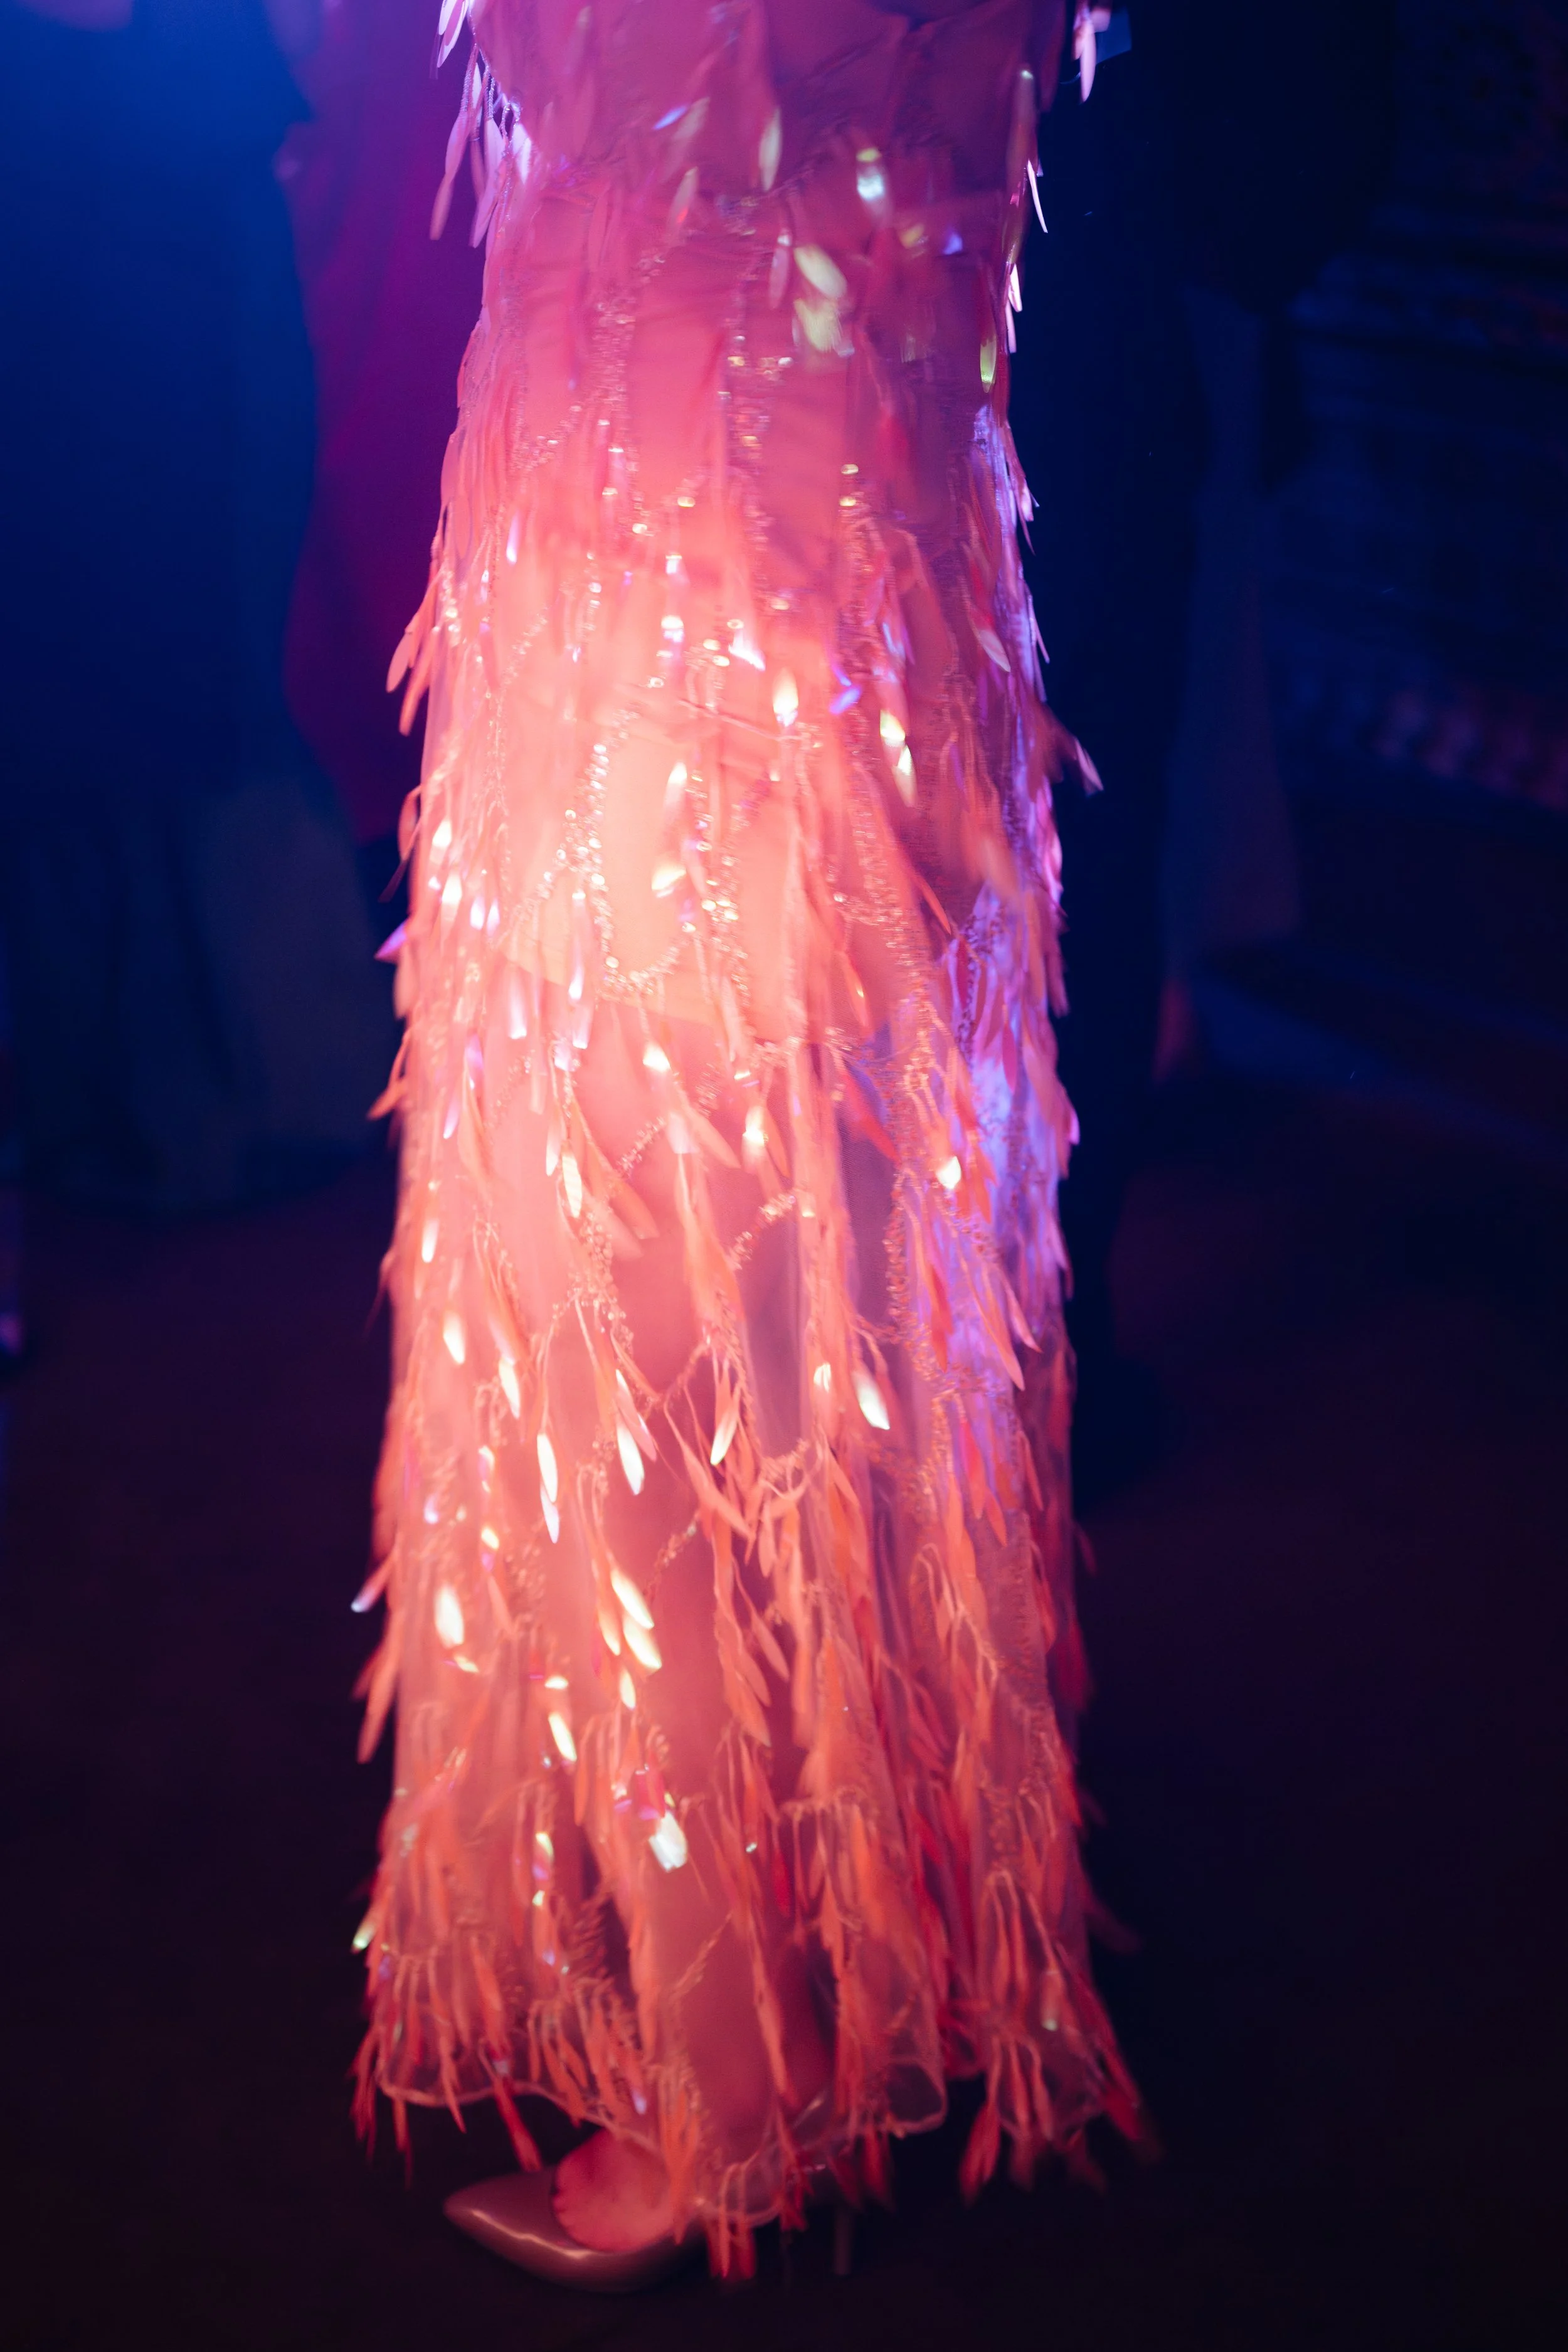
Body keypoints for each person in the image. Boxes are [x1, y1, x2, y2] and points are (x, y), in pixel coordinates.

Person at [353, 0, 1138, 2284]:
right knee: (810, 1348)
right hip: (864, 646)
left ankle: (730, 2079)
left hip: (671, 669)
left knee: (648, 1385)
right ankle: (841, 1957)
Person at [0, 0, 391, 1209]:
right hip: (113, 255)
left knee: (203, 676)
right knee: (115, 693)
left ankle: (219, 1096)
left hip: (173, 268)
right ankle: (179, 1101)